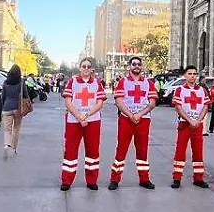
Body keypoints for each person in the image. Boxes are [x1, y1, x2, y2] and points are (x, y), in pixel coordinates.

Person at [110, 56, 157, 190]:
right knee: (121, 149)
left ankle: (144, 179)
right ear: (129, 66)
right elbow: (119, 101)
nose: (136, 66)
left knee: (142, 150)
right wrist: (131, 115)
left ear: (142, 66)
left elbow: (152, 103)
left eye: (139, 64)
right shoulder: (123, 82)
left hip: (143, 120)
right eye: (134, 64)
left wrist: (139, 114)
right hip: (126, 119)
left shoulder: (148, 83)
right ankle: (115, 179)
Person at [60, 58, 106, 191]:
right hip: (74, 121)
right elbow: (68, 102)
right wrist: (79, 116)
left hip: (93, 121)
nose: (86, 68)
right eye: (84, 66)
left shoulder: (97, 83)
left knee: (92, 150)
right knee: (70, 151)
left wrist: (86, 115)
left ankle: (92, 180)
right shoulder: (72, 81)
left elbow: (100, 103)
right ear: (79, 68)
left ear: (92, 69)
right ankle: (67, 180)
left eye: (88, 66)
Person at [171, 65, 209, 188]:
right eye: (190, 74)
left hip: (197, 125)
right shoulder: (180, 90)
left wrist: (198, 120)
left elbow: (206, 106)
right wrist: (190, 120)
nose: (192, 76)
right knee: (180, 151)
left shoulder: (202, 90)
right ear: (185, 75)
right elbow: (178, 107)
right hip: (184, 124)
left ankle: (198, 178)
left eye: (194, 74)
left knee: (198, 151)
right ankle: (177, 178)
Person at [0, 64, 32, 160]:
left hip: (6, 108)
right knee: (16, 128)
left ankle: (7, 145)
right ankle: (14, 148)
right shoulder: (21, 82)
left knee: (7, 130)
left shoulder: (5, 82)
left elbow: (3, 97)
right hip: (18, 108)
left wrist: (2, 107)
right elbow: (25, 95)